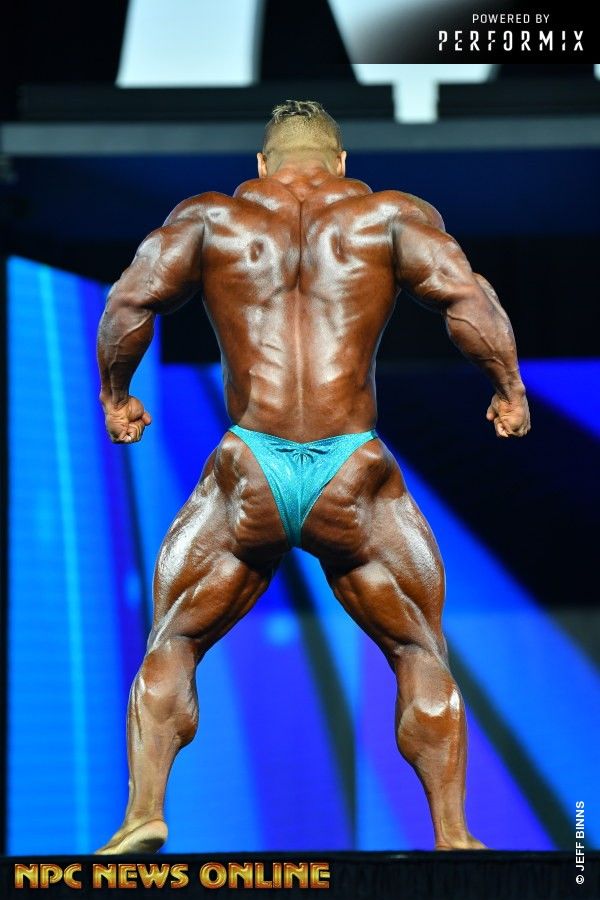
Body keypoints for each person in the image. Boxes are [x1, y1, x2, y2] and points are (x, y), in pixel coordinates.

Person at [96, 100, 530, 854]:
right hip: (350, 470)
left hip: (251, 468)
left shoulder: (210, 219)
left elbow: (131, 299)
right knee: (418, 649)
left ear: (262, 165)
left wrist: (115, 393)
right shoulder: (389, 216)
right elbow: (468, 297)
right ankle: (454, 836)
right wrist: (508, 387)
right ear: (342, 163)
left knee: (176, 636)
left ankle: (144, 813)